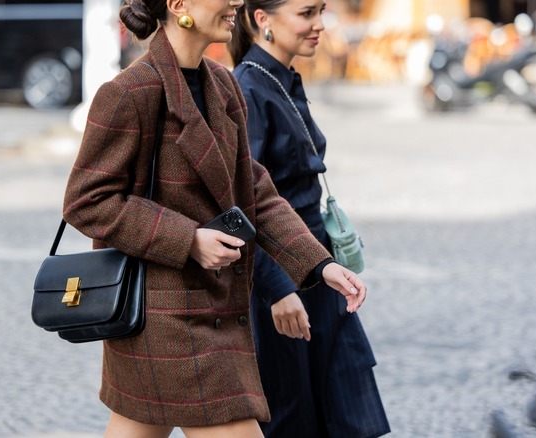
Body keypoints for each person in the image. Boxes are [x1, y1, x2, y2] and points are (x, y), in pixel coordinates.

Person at [61, 0, 368, 435]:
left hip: (211, 315)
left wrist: (320, 263)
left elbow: (255, 191)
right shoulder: (131, 92)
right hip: (164, 322)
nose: (237, 2)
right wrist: (188, 239)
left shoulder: (223, 85)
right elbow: (86, 200)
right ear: (178, 4)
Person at [228, 1, 391, 437]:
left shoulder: (281, 78)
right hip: (281, 280)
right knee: (293, 415)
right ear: (263, 19)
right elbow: (242, 204)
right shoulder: (248, 88)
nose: (319, 24)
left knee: (344, 407)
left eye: (320, 10)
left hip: (317, 270)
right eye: (306, 13)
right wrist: (276, 289)